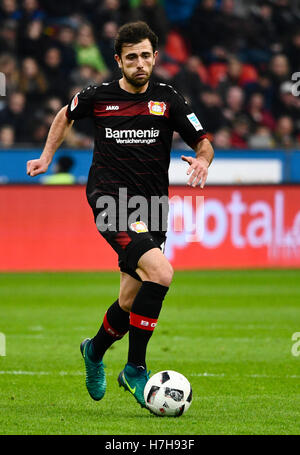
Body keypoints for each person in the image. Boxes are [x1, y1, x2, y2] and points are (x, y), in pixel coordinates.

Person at [26, 21, 214, 410]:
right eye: (132, 57)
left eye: (146, 56)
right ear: (118, 61)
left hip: (152, 207)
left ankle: (93, 350)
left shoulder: (169, 99)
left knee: (130, 300)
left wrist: (202, 159)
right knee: (161, 273)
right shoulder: (99, 96)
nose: (140, 63)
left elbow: (204, 140)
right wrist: (46, 157)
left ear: (155, 57)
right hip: (110, 201)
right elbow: (65, 114)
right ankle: (135, 368)